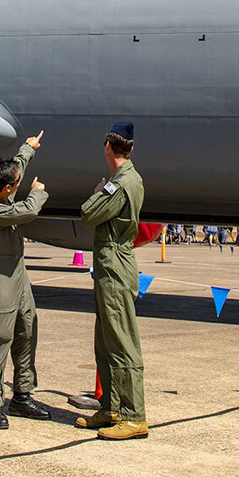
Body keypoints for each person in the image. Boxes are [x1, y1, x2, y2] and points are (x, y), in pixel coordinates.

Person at [75, 121, 147, 441]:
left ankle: (133, 416)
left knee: (121, 342)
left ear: (108, 145)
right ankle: (111, 407)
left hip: (115, 267)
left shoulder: (120, 184)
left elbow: (89, 214)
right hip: (109, 267)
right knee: (104, 341)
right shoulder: (125, 179)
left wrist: (95, 195)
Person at [0, 131, 51, 430]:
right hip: (1, 277)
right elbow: (29, 210)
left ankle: (22, 394)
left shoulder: (3, 192)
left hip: (18, 274)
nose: (19, 184)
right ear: (8, 189)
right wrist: (37, 191)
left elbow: (17, 166)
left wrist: (28, 147)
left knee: (27, 329)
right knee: (0, 338)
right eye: (16, 184)